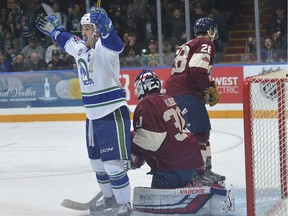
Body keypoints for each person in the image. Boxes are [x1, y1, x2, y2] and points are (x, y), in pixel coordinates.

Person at [35, 7, 132, 216]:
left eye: (88, 28)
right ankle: (110, 199)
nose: (84, 32)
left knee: (113, 165)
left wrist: (107, 28)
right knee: (97, 164)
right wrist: (55, 31)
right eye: (83, 28)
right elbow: (65, 39)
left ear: (97, 31)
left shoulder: (105, 48)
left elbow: (116, 43)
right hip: (92, 116)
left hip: (111, 112)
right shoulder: (79, 47)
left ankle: (125, 204)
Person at [164, 17, 225, 185]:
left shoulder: (189, 44)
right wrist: (208, 87)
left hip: (179, 91)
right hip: (185, 93)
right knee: (198, 133)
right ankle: (198, 173)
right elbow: (198, 70)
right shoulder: (206, 42)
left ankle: (205, 169)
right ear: (210, 30)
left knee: (202, 131)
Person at [131, 69, 204, 189]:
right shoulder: (168, 98)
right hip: (191, 162)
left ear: (141, 87)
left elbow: (151, 141)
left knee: (153, 202)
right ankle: (187, 183)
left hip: (172, 169)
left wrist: (129, 145)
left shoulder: (147, 103)